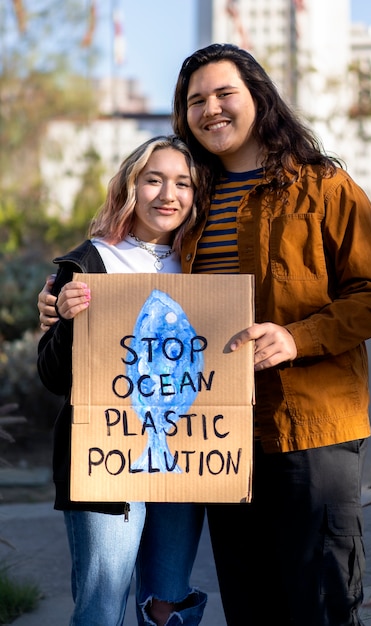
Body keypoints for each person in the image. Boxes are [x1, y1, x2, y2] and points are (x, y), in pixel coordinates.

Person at [38, 44, 371, 625]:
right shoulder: (193, 203)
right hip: (217, 439)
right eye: (194, 101)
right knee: (249, 603)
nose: (210, 109)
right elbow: (138, 279)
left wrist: (296, 338)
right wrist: (64, 304)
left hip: (310, 428)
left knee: (322, 600)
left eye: (223, 93)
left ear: (258, 96)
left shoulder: (325, 186)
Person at [37, 135, 207, 626]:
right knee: (102, 604)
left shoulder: (202, 262)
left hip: (185, 457)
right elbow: (52, 376)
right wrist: (67, 320)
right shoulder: (89, 261)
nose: (167, 194)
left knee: (167, 601)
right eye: (153, 179)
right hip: (104, 455)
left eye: (183, 183)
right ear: (131, 186)